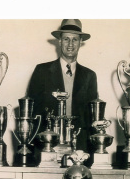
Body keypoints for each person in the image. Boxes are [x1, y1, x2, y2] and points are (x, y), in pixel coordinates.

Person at [27, 19, 98, 153]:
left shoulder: (89, 76)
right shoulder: (42, 71)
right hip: (47, 147)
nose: (70, 44)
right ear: (59, 41)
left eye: (75, 40)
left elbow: (92, 118)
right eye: (66, 39)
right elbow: (33, 113)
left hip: (80, 149)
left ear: (80, 43)